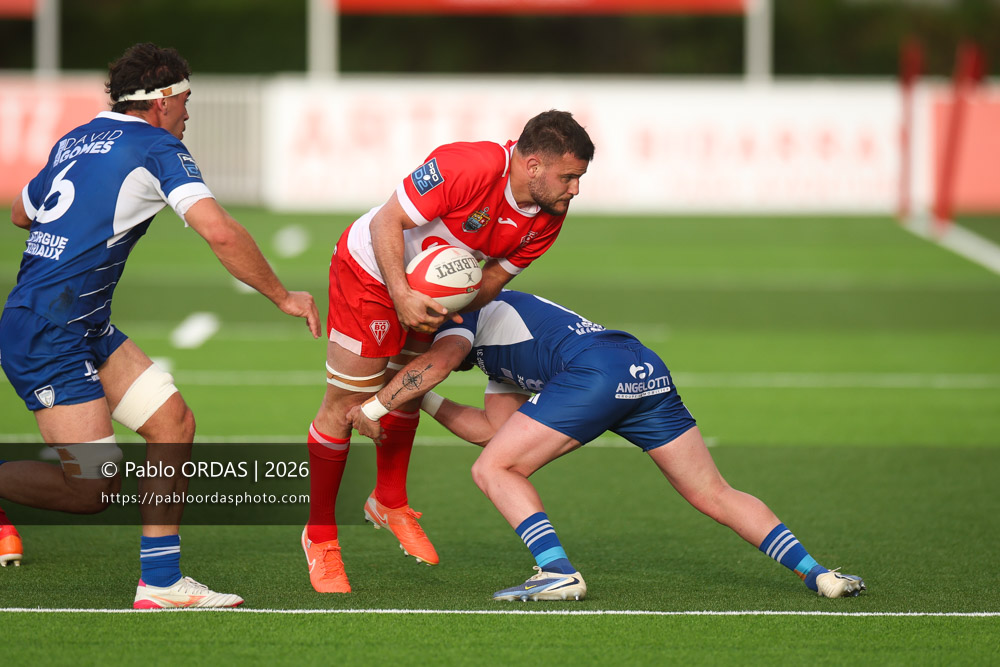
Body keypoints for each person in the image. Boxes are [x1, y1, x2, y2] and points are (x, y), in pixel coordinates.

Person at [0, 43, 321, 608]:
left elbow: (22, 213)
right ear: (161, 102)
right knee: (92, 487)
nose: (188, 113)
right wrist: (282, 296)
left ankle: (161, 582)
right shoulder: (156, 146)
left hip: (79, 321)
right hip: (49, 331)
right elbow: (220, 232)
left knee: (173, 423)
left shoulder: (78, 137)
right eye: (186, 101)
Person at [350, 290, 866, 601]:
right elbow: (492, 431)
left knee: (492, 471)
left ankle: (557, 573)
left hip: (595, 374)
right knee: (713, 491)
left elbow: (437, 363)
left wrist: (373, 406)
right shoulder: (498, 356)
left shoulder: (467, 316)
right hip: (641, 366)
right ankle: (818, 575)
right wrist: (423, 400)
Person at [304, 111, 595, 593]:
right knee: (346, 403)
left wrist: (447, 311)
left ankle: (389, 501)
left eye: (579, 178)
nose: (575, 189)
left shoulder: (549, 217)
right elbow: (387, 220)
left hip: (433, 294)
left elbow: (492, 282)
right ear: (534, 165)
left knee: (409, 389)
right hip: (372, 273)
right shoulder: (471, 165)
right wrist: (401, 294)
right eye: (568, 177)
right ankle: (320, 537)